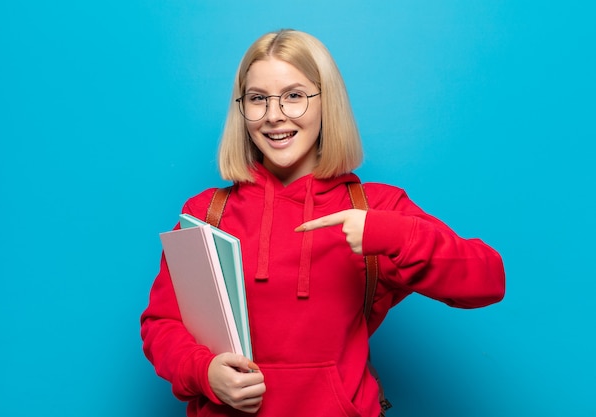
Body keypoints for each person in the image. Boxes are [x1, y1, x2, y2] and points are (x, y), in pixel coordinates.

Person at [140, 29, 505, 417]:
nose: (274, 115)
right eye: (258, 99)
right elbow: (161, 324)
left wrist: (391, 233)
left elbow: (488, 281)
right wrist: (204, 372)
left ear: (326, 103)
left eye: (294, 96)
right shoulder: (206, 213)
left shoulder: (377, 207)